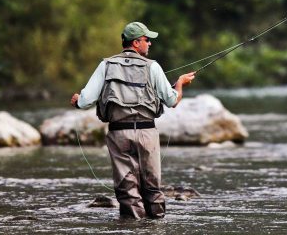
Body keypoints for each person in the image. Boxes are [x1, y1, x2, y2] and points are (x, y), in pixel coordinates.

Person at [70, 21, 196, 219]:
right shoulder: (153, 67)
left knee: (127, 189)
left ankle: (133, 228)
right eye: (147, 40)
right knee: (152, 187)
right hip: (147, 133)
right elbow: (172, 100)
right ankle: (155, 228)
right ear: (136, 43)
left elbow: (86, 101)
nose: (150, 44)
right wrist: (180, 84)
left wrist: (77, 101)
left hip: (119, 133)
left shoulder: (106, 65)